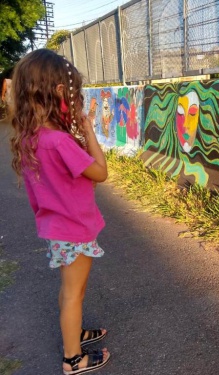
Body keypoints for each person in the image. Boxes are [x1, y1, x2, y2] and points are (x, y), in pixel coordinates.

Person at [9, 49, 111, 374]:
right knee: (73, 294)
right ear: (57, 93)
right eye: (74, 93)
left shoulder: (31, 138)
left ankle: (74, 332)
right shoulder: (59, 141)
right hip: (75, 230)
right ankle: (72, 358)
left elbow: (35, 195)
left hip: (58, 228)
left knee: (71, 292)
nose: (77, 98)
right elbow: (100, 172)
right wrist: (89, 130)